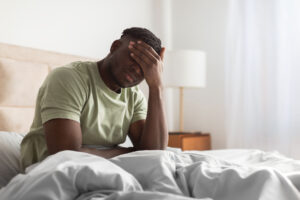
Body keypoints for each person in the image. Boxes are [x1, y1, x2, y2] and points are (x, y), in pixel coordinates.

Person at [20, 27, 168, 171]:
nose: (137, 69)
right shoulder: (68, 78)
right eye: (134, 57)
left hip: (108, 169)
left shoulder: (134, 95)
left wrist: (157, 87)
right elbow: (66, 155)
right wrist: (129, 153)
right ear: (115, 46)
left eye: (146, 68)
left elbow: (153, 153)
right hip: (52, 171)